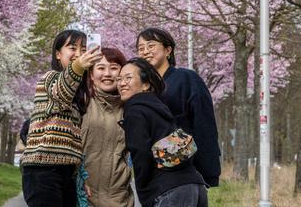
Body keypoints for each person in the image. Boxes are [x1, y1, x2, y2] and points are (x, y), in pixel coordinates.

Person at [21, 30, 103, 207]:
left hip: (66, 172)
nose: (79, 53)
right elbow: (61, 91)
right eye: (72, 48)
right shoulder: (50, 78)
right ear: (58, 54)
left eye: (83, 48)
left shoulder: (79, 91)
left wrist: (80, 177)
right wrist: (80, 65)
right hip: (42, 170)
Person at [135, 28, 221, 188]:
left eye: (151, 46)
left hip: (184, 170)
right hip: (152, 173)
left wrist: (209, 173)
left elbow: (204, 125)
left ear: (168, 50)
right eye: (141, 48)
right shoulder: (141, 86)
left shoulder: (187, 79)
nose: (145, 51)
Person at [118, 58, 207, 207]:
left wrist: (145, 193)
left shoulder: (134, 111)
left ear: (146, 84)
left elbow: (140, 154)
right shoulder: (159, 106)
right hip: (194, 186)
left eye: (128, 78)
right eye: (119, 79)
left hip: (169, 190)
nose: (121, 83)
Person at [75, 47, 134, 207]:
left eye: (114, 68)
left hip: (120, 199)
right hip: (83, 197)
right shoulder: (80, 103)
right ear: (91, 74)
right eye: (101, 68)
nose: (107, 74)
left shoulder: (132, 108)